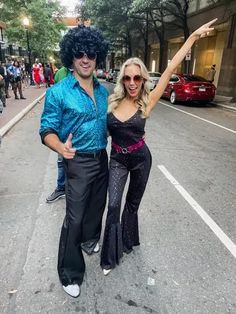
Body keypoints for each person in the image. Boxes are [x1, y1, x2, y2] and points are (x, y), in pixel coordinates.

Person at [100, 18, 218, 276]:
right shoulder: (111, 101)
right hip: (118, 159)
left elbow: (170, 67)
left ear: (143, 80)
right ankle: (110, 255)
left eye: (138, 78)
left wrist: (193, 37)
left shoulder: (148, 101)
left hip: (142, 159)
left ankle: (129, 241)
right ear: (123, 79)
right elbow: (103, 133)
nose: (133, 82)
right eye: (128, 78)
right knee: (113, 205)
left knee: (132, 204)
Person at [39, 25, 109, 298]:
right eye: (79, 52)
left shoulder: (103, 92)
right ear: (71, 56)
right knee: (75, 217)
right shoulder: (58, 92)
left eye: (91, 53)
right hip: (77, 160)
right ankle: (70, 272)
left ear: (97, 56)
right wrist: (60, 148)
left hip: (101, 157)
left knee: (95, 208)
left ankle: (89, 241)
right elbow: (46, 130)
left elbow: (109, 124)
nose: (85, 58)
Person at [46, 66, 71, 203]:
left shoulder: (89, 73)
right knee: (62, 160)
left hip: (81, 130)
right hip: (63, 128)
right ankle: (61, 188)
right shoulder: (60, 73)